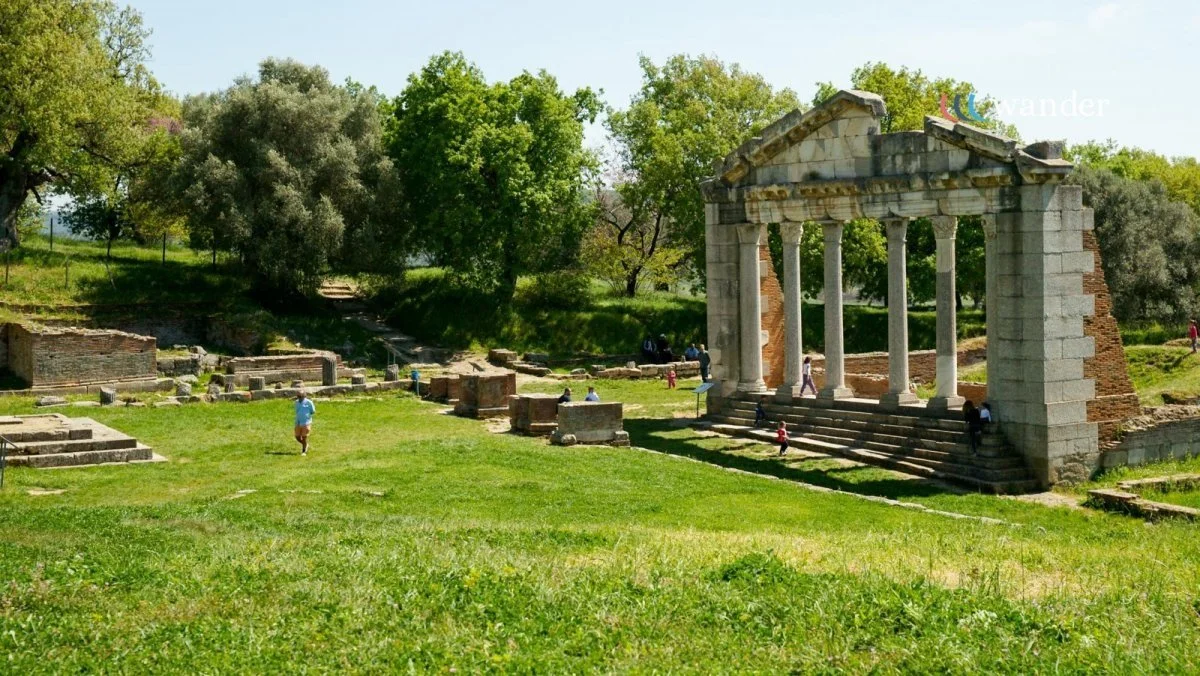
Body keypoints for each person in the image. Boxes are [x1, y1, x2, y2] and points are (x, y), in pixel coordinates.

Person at [294, 390, 316, 456]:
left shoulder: (309, 402)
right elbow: (296, 411)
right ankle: (305, 444)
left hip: (306, 422)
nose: (299, 398)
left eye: (300, 396)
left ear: (304, 396)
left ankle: (304, 451)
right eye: (298, 396)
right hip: (298, 421)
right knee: (297, 437)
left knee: (304, 437)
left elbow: (313, 411)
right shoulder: (296, 402)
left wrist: (307, 415)